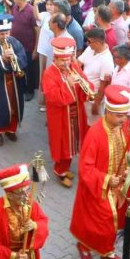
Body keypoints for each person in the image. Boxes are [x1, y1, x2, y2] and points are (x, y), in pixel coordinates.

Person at [70, 86, 130, 259]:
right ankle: (84, 247)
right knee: (95, 223)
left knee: (111, 223)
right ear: (108, 111)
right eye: (119, 116)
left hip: (117, 187)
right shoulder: (95, 134)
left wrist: (127, 167)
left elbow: (128, 148)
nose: (123, 120)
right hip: (97, 188)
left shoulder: (122, 127)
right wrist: (106, 179)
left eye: (125, 115)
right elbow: (85, 169)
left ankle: (107, 250)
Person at [42, 36, 93, 187]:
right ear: (55, 59)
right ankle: (60, 171)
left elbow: (84, 80)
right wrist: (68, 85)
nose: (66, 63)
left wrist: (87, 87)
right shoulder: (49, 74)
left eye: (68, 59)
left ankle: (66, 167)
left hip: (76, 114)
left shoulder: (73, 67)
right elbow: (52, 97)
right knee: (62, 144)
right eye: (63, 61)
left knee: (74, 142)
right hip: (60, 116)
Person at [0, 14, 29, 146]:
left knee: (14, 106)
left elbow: (23, 58)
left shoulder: (15, 42)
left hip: (14, 82)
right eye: (2, 34)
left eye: (7, 33)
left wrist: (14, 57)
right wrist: (2, 58)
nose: (5, 36)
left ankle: (10, 130)